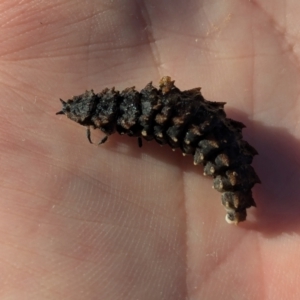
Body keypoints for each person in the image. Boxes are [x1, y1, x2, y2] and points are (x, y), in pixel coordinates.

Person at [1, 1, 299, 299]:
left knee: (218, 152)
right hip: (203, 128)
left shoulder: (136, 116)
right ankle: (237, 206)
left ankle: (237, 205)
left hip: (211, 134)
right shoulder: (132, 112)